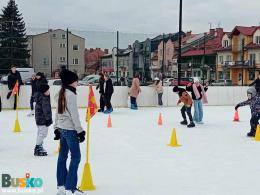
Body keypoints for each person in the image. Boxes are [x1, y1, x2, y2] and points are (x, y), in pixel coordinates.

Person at [54, 70, 85, 195]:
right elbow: (74, 115)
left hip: (62, 129)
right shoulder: (70, 95)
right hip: (70, 130)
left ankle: (61, 186)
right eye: (76, 80)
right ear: (71, 82)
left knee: (62, 157)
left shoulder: (61, 92)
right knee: (76, 157)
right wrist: (80, 131)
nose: (77, 83)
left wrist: (56, 127)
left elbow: (57, 112)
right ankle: (71, 187)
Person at [34, 84, 52, 156]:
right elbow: (46, 110)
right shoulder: (44, 98)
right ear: (44, 91)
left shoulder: (40, 97)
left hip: (39, 119)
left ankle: (39, 145)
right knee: (43, 133)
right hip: (43, 119)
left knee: (40, 133)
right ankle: (38, 147)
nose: (49, 91)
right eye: (48, 90)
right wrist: (48, 119)